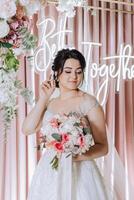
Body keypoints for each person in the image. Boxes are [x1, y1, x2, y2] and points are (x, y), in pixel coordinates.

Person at [22, 49, 110, 200]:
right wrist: (43, 99)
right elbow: (27, 129)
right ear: (57, 72)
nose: (74, 77)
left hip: (80, 173)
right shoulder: (50, 101)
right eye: (68, 71)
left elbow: (103, 147)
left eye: (79, 71)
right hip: (50, 171)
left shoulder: (88, 102)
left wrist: (75, 156)